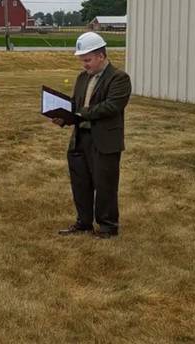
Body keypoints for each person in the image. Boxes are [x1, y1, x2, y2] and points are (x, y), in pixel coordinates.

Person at [52, 32, 131, 239]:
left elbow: (111, 107)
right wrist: (64, 116)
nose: (84, 65)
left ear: (101, 56)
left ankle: (107, 227)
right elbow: (76, 105)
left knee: (105, 184)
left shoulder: (119, 78)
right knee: (81, 183)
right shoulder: (82, 78)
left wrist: (80, 112)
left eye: (87, 60)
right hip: (80, 138)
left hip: (104, 141)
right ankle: (83, 223)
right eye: (82, 60)